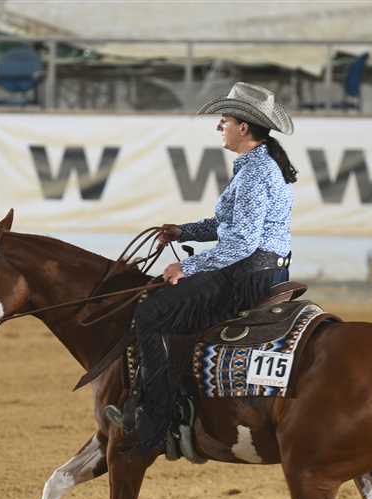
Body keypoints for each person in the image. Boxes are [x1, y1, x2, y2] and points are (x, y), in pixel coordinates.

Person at [108, 81, 299, 452]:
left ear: (243, 127)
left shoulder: (255, 173)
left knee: (150, 312)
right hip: (261, 268)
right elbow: (229, 227)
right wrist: (183, 232)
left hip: (249, 273)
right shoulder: (259, 166)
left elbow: (241, 243)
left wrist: (188, 267)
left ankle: (154, 420)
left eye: (224, 120)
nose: (219, 126)